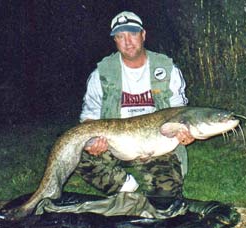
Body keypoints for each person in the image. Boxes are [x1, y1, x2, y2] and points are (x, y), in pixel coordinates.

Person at [77, 11, 194, 208]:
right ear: (115, 40)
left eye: (132, 33)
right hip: (114, 144)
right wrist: (93, 143)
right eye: (120, 36)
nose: (127, 41)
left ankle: (150, 191)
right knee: (76, 152)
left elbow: (180, 112)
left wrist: (186, 133)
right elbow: (89, 119)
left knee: (165, 198)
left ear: (143, 35)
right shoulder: (101, 74)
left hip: (159, 146)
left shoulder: (167, 69)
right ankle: (125, 186)